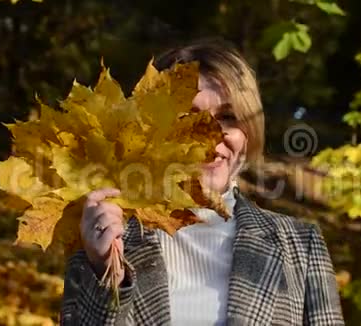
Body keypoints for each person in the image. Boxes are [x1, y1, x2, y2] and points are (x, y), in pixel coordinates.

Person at [60, 39, 345, 326]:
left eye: (228, 117)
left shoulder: (299, 245)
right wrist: (105, 270)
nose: (210, 135)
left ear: (248, 132)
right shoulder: (105, 237)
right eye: (188, 117)